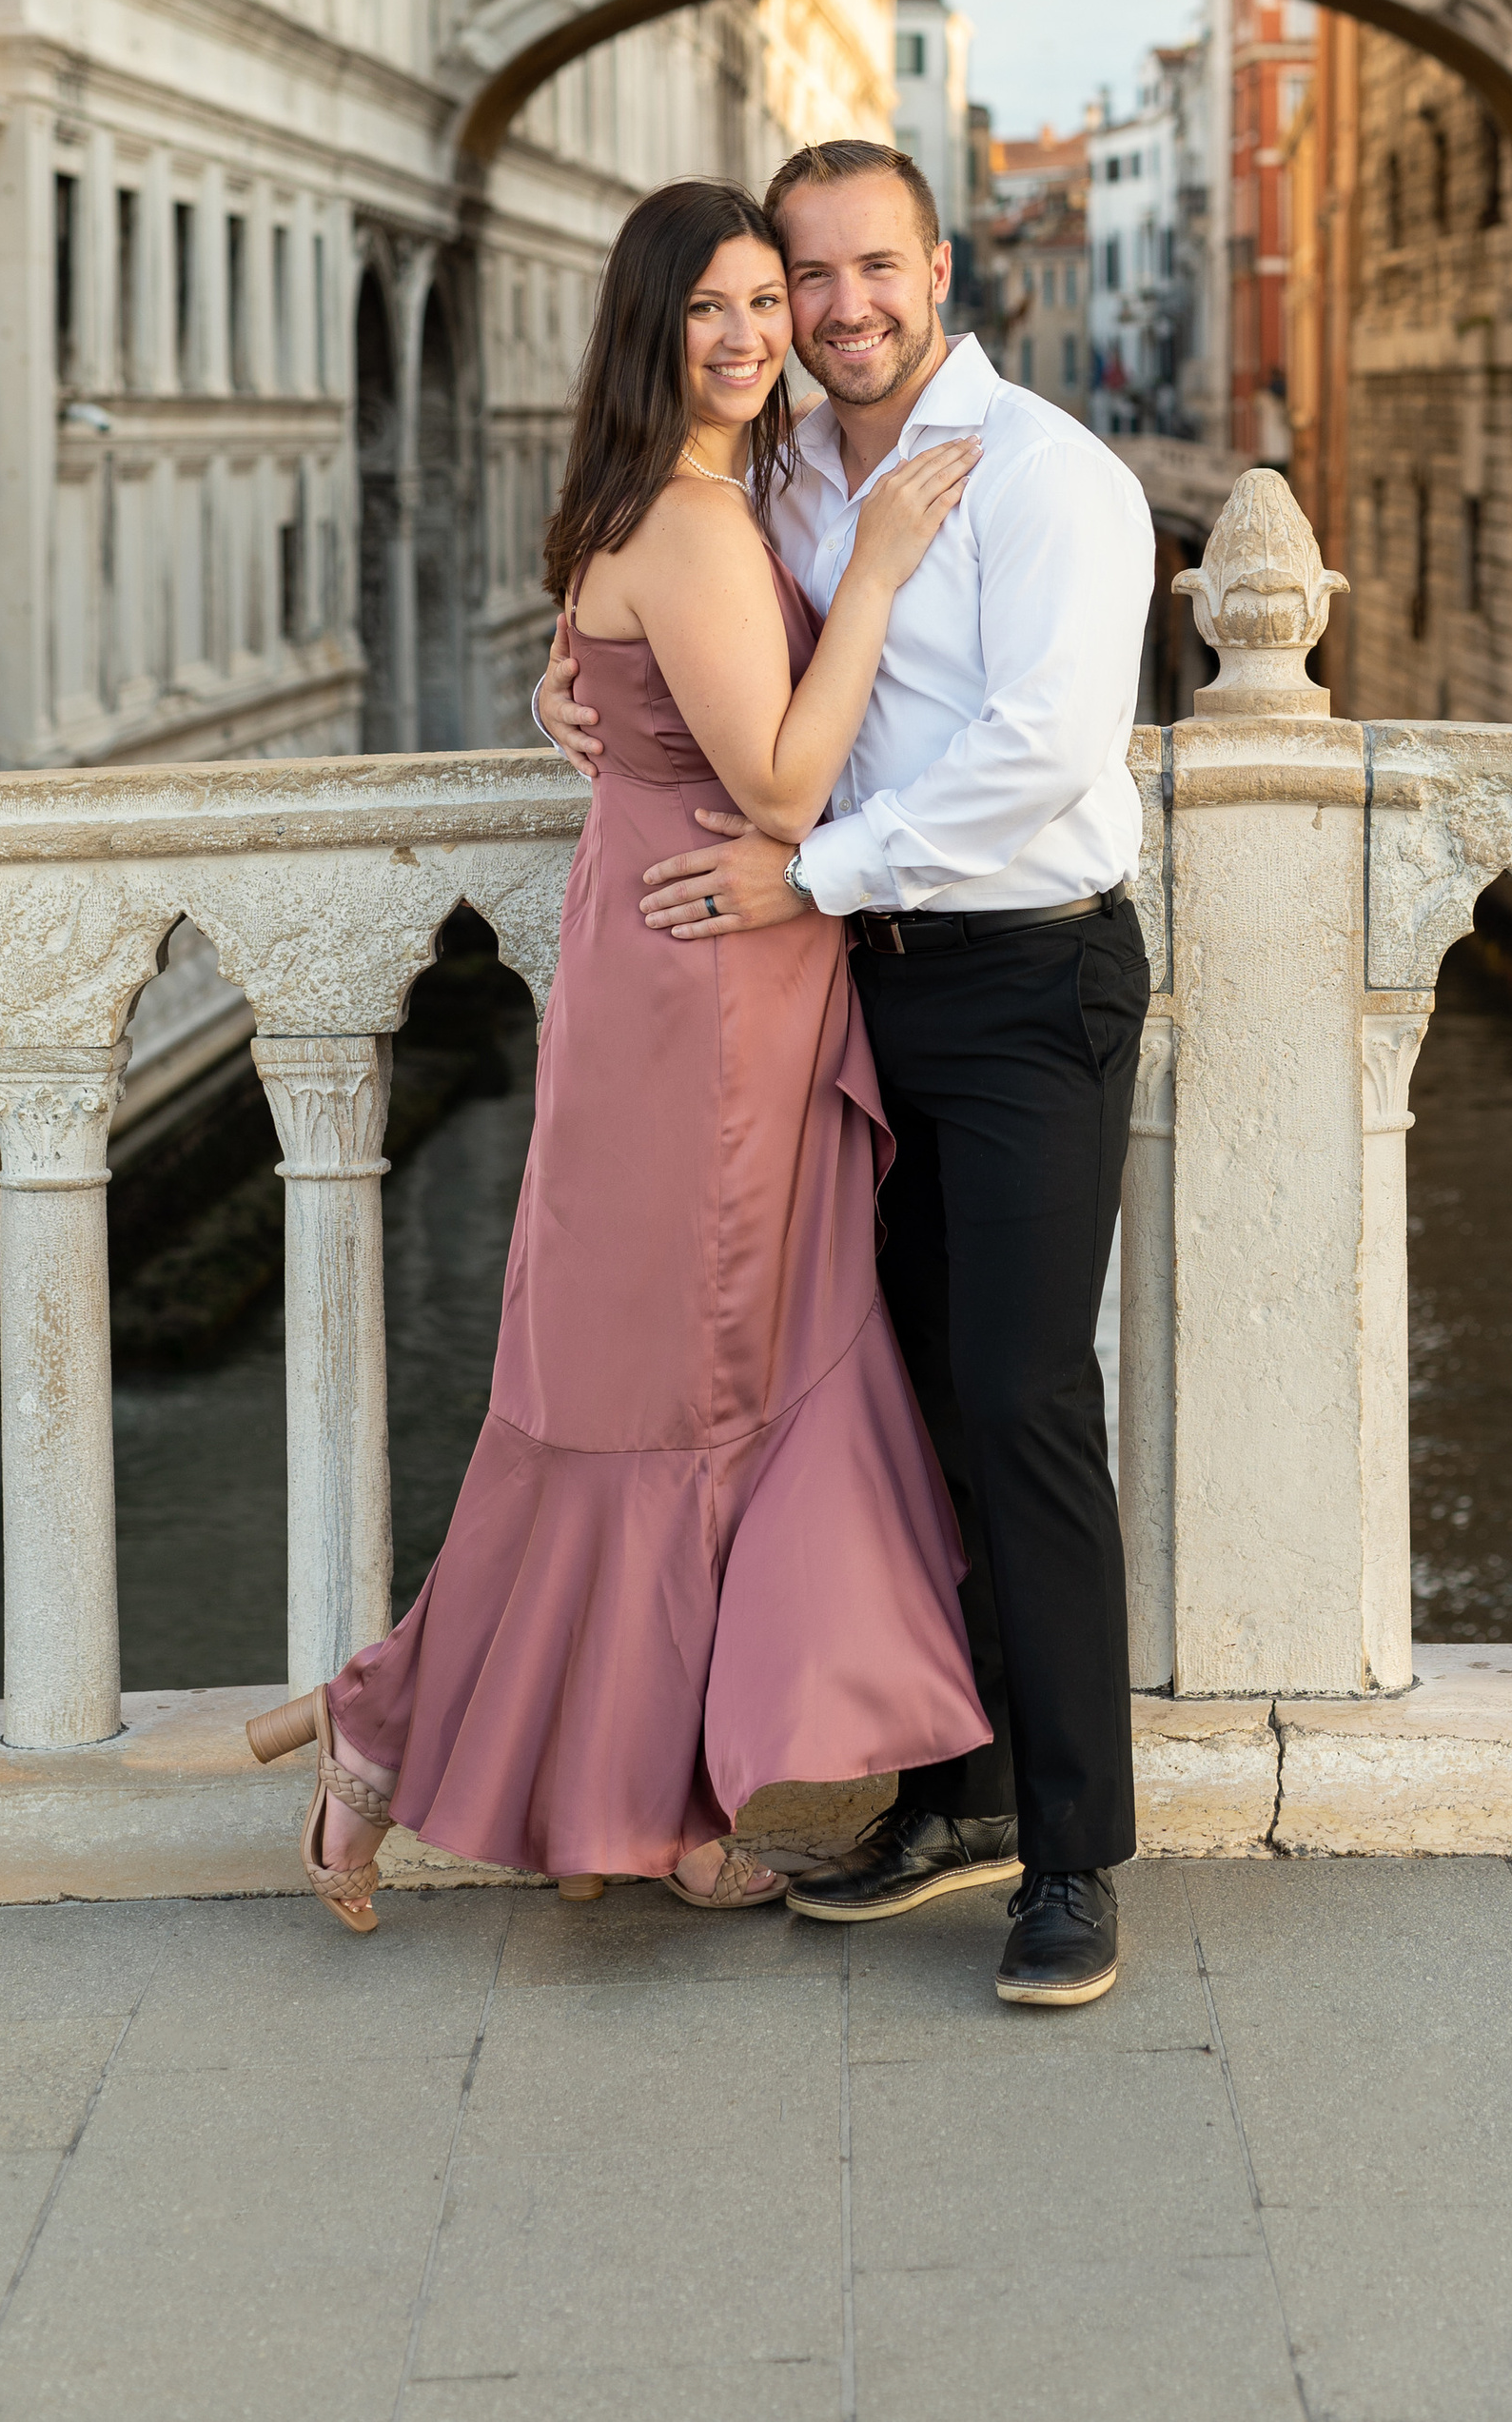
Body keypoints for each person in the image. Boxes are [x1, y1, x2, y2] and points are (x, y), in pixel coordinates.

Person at [245, 176, 990, 1926]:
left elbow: (641, 704)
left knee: (663, 1393)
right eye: (708, 311)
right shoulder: (700, 520)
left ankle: (536, 1764)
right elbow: (789, 786)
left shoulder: (677, 501)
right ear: (651, 333)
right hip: (707, 1003)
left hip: (698, 977)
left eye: (761, 300)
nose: (748, 337)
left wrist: (586, 702)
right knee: (673, 1394)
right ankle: (508, 1758)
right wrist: (880, 568)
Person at [540, 137, 1154, 2010]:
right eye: (804, 276)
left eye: (870, 265)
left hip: (1027, 984)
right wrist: (569, 683)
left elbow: (1044, 760)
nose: (837, 306)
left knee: (1020, 1399)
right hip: (852, 998)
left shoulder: (1054, 476)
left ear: (942, 265)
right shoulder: (791, 470)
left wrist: (807, 866)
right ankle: (949, 1793)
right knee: (893, 1406)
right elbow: (691, 631)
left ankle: (1071, 1854)